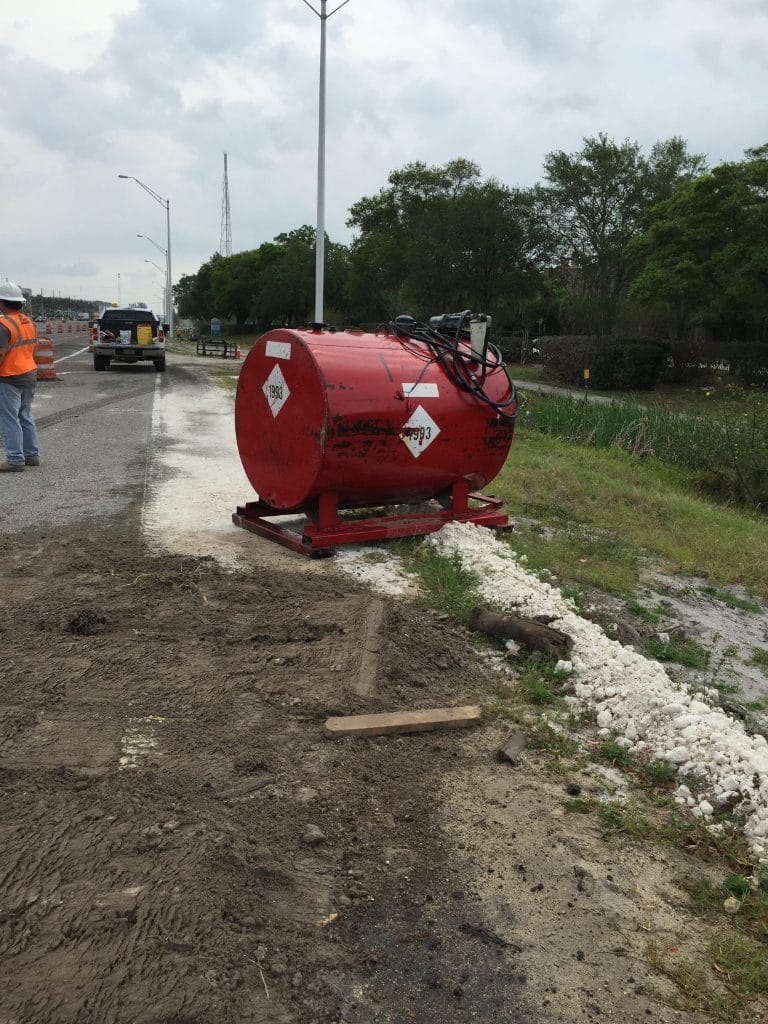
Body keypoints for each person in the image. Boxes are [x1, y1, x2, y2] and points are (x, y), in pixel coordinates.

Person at [0, 281, 41, 472]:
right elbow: (34, 347)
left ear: (3, 303)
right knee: (24, 415)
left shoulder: (3, 324)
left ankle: (15, 459)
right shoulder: (28, 322)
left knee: (9, 418)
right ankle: (31, 455)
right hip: (29, 373)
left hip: (10, 376)